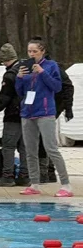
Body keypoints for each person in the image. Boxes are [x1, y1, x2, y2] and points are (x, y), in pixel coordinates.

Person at [15, 38, 72, 197]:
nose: (32, 54)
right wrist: (19, 78)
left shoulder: (51, 66)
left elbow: (57, 87)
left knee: (51, 148)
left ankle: (66, 184)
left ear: (42, 51)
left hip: (45, 112)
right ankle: (34, 183)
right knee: (30, 150)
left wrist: (42, 72)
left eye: (35, 51)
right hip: (27, 112)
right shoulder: (24, 66)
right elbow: (20, 92)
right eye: (29, 51)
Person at [0, 43, 28, 186]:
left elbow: (5, 98)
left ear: (5, 59)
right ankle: (24, 176)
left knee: (8, 146)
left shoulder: (10, 75)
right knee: (24, 146)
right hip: (29, 114)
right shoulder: (26, 68)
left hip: (13, 116)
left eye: (3, 61)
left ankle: (7, 176)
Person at [36, 42, 75, 182]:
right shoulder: (34, 66)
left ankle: (46, 172)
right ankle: (48, 171)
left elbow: (68, 87)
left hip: (52, 106)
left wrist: (68, 108)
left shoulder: (54, 67)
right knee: (44, 139)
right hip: (44, 106)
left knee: (45, 140)